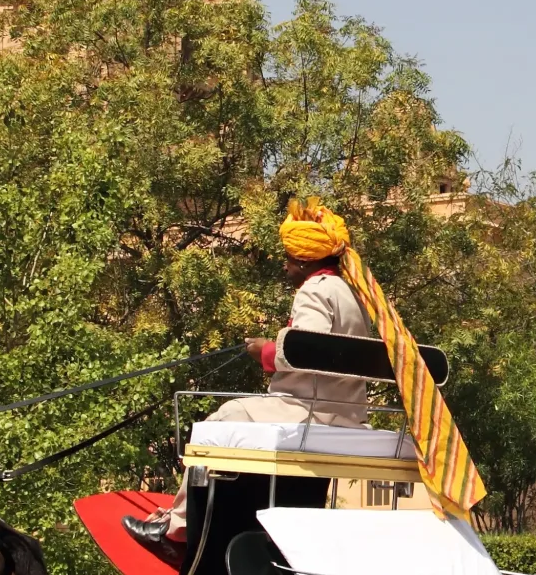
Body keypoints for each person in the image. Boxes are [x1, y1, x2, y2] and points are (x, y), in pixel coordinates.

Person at [123, 205, 377, 548]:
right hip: (348, 413)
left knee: (221, 420)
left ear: (303, 260)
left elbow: (306, 350)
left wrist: (265, 351)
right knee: (237, 419)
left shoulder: (314, 290)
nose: (285, 265)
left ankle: (178, 527)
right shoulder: (352, 294)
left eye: (288, 258)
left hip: (312, 410)